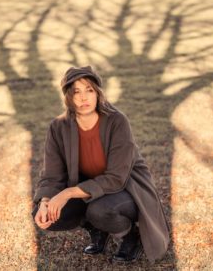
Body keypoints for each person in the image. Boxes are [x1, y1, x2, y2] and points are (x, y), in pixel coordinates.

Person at [32, 65, 170, 263]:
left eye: (89, 90)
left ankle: (129, 235)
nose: (83, 97)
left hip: (125, 188)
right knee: (43, 212)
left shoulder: (117, 121)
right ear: (68, 97)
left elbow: (116, 178)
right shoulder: (58, 127)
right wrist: (45, 202)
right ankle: (97, 228)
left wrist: (66, 194)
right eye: (76, 92)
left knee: (99, 210)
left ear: (98, 93)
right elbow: (53, 174)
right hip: (87, 187)